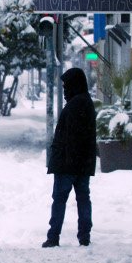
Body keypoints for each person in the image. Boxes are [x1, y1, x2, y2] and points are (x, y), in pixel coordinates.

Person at [42, 67, 97, 248]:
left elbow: (68, 137)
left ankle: (53, 236)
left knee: (59, 200)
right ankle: (84, 236)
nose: (64, 89)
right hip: (83, 164)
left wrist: (59, 158)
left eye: (66, 85)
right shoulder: (86, 102)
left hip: (67, 164)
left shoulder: (74, 105)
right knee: (83, 199)